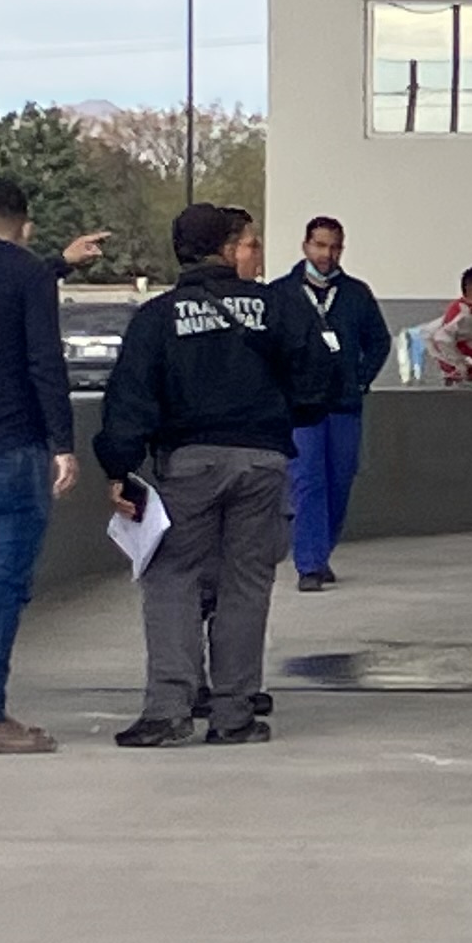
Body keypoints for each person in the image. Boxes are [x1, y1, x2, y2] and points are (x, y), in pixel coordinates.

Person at [96, 199, 331, 746]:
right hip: (263, 460)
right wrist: (280, 417)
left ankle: (168, 710)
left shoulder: (157, 317)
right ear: (227, 249)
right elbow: (318, 377)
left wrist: (120, 467)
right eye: (248, 241)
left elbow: (128, 398)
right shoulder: (278, 306)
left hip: (188, 464)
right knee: (246, 586)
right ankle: (234, 715)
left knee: (172, 578)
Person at [0, 176, 103, 754]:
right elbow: (42, 360)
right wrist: (62, 441)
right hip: (12, 446)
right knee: (4, 584)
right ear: (25, 226)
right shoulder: (29, 275)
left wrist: (58, 263)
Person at [282, 214, 392, 590]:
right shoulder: (283, 293)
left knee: (339, 481)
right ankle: (308, 564)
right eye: (320, 245)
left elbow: (379, 341)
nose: (327, 254)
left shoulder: (357, 294)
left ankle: (321, 551)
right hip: (300, 408)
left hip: (344, 404)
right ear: (305, 246)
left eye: (334, 247)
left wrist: (360, 378)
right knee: (307, 481)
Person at [426, 266, 472, 386]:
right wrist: (461, 365)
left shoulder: (458, 310)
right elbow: (441, 337)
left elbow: (428, 334)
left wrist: (448, 366)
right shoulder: (470, 317)